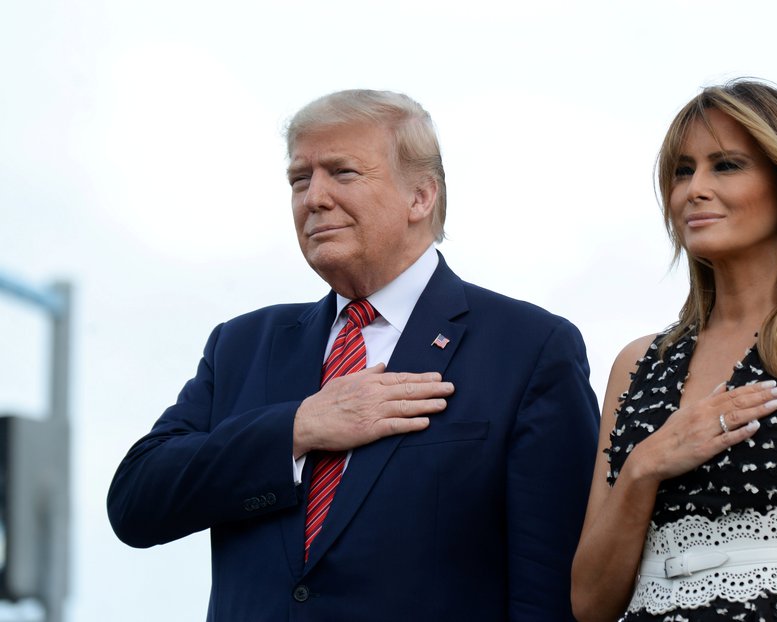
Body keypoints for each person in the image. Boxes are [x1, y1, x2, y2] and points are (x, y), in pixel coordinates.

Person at [107, 89, 600, 621]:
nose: (313, 198)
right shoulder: (242, 345)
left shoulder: (528, 348)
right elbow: (136, 501)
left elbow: (551, 589)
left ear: (421, 197)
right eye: (300, 178)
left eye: (342, 173)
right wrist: (297, 428)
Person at [572, 80, 777, 622]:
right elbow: (589, 604)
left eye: (725, 165)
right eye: (683, 170)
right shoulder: (637, 365)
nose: (694, 189)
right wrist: (647, 464)